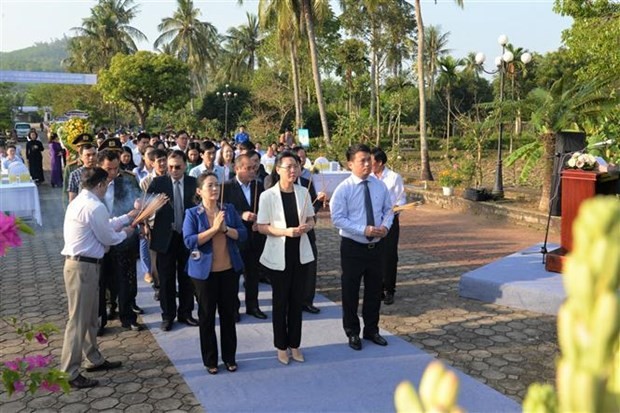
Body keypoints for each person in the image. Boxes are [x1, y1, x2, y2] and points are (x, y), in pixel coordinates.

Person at [59, 167, 135, 388]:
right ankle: (69, 372)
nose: (107, 189)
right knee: (78, 321)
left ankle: (93, 357)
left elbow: (104, 226)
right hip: (83, 267)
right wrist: (126, 232)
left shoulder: (81, 202)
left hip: (82, 265)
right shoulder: (94, 206)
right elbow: (108, 236)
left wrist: (125, 217)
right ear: (100, 184)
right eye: (106, 184)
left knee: (90, 317)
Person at [330, 143, 393, 351]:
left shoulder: (379, 186)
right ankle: (352, 331)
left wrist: (385, 226)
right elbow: (337, 219)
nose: (368, 164)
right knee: (350, 291)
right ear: (350, 164)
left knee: (375, 290)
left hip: (376, 247)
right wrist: (362, 229)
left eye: (369, 160)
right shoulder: (344, 189)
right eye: (362, 161)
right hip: (353, 247)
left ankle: (372, 329)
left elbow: (388, 210)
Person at [183, 172, 247, 374]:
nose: (214, 189)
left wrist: (226, 229)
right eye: (209, 186)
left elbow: (243, 234)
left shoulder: (228, 209)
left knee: (228, 315)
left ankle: (230, 357)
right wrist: (214, 229)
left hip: (228, 271)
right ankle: (210, 360)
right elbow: (189, 241)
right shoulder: (193, 213)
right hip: (204, 274)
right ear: (199, 191)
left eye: (216, 185)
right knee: (207, 316)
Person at [257, 151, 315, 365]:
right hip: (278, 255)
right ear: (278, 169)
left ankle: (295, 344)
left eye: (296, 166)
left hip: (300, 254)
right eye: (288, 166)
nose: (293, 170)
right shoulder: (268, 196)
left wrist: (307, 227)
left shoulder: (304, 192)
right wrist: (286, 232)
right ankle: (281, 346)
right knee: (280, 302)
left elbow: (311, 219)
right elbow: (262, 227)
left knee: (296, 301)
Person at [147, 150, 198, 331]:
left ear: (185, 166)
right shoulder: (158, 183)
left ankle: (186, 313)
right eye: (170, 167)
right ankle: (168, 316)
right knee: (167, 280)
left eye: (178, 167)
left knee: (187, 278)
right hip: (165, 238)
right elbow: (146, 206)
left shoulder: (193, 183)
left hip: (186, 238)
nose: (174, 170)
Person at [96, 143, 143, 334]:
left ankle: (128, 316)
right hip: (100, 240)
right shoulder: (91, 183)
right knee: (101, 281)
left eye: (116, 169)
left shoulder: (128, 180)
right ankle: (100, 319)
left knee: (126, 279)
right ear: (100, 167)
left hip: (124, 237)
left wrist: (139, 205)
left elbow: (138, 200)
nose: (113, 173)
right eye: (108, 169)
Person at [223, 153, 267, 321]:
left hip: (255, 236)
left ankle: (253, 306)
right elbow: (222, 209)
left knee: (253, 274)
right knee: (234, 275)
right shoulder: (226, 187)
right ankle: (233, 308)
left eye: (254, 168)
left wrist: (261, 220)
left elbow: (266, 207)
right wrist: (241, 214)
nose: (251, 171)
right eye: (247, 168)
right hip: (235, 237)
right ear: (237, 169)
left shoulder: (258, 186)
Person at [292, 146, 326, 314]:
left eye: (302, 161)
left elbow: (313, 208)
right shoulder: (276, 187)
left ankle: (307, 301)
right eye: (297, 161)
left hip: (307, 232)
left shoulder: (307, 183)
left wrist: (320, 201)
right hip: (289, 234)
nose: (300, 164)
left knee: (310, 268)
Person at [370, 147, 405, 305]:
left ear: (380, 162)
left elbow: (401, 199)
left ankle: (390, 289)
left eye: (371, 162)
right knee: (375, 254)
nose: (368, 165)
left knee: (389, 255)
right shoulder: (368, 177)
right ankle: (378, 288)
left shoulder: (394, 177)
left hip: (390, 220)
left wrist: (393, 210)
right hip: (373, 220)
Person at [67, 136, 98, 203]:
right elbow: (72, 199)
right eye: (88, 155)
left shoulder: (102, 172)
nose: (91, 158)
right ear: (81, 157)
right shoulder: (75, 175)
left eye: (94, 154)